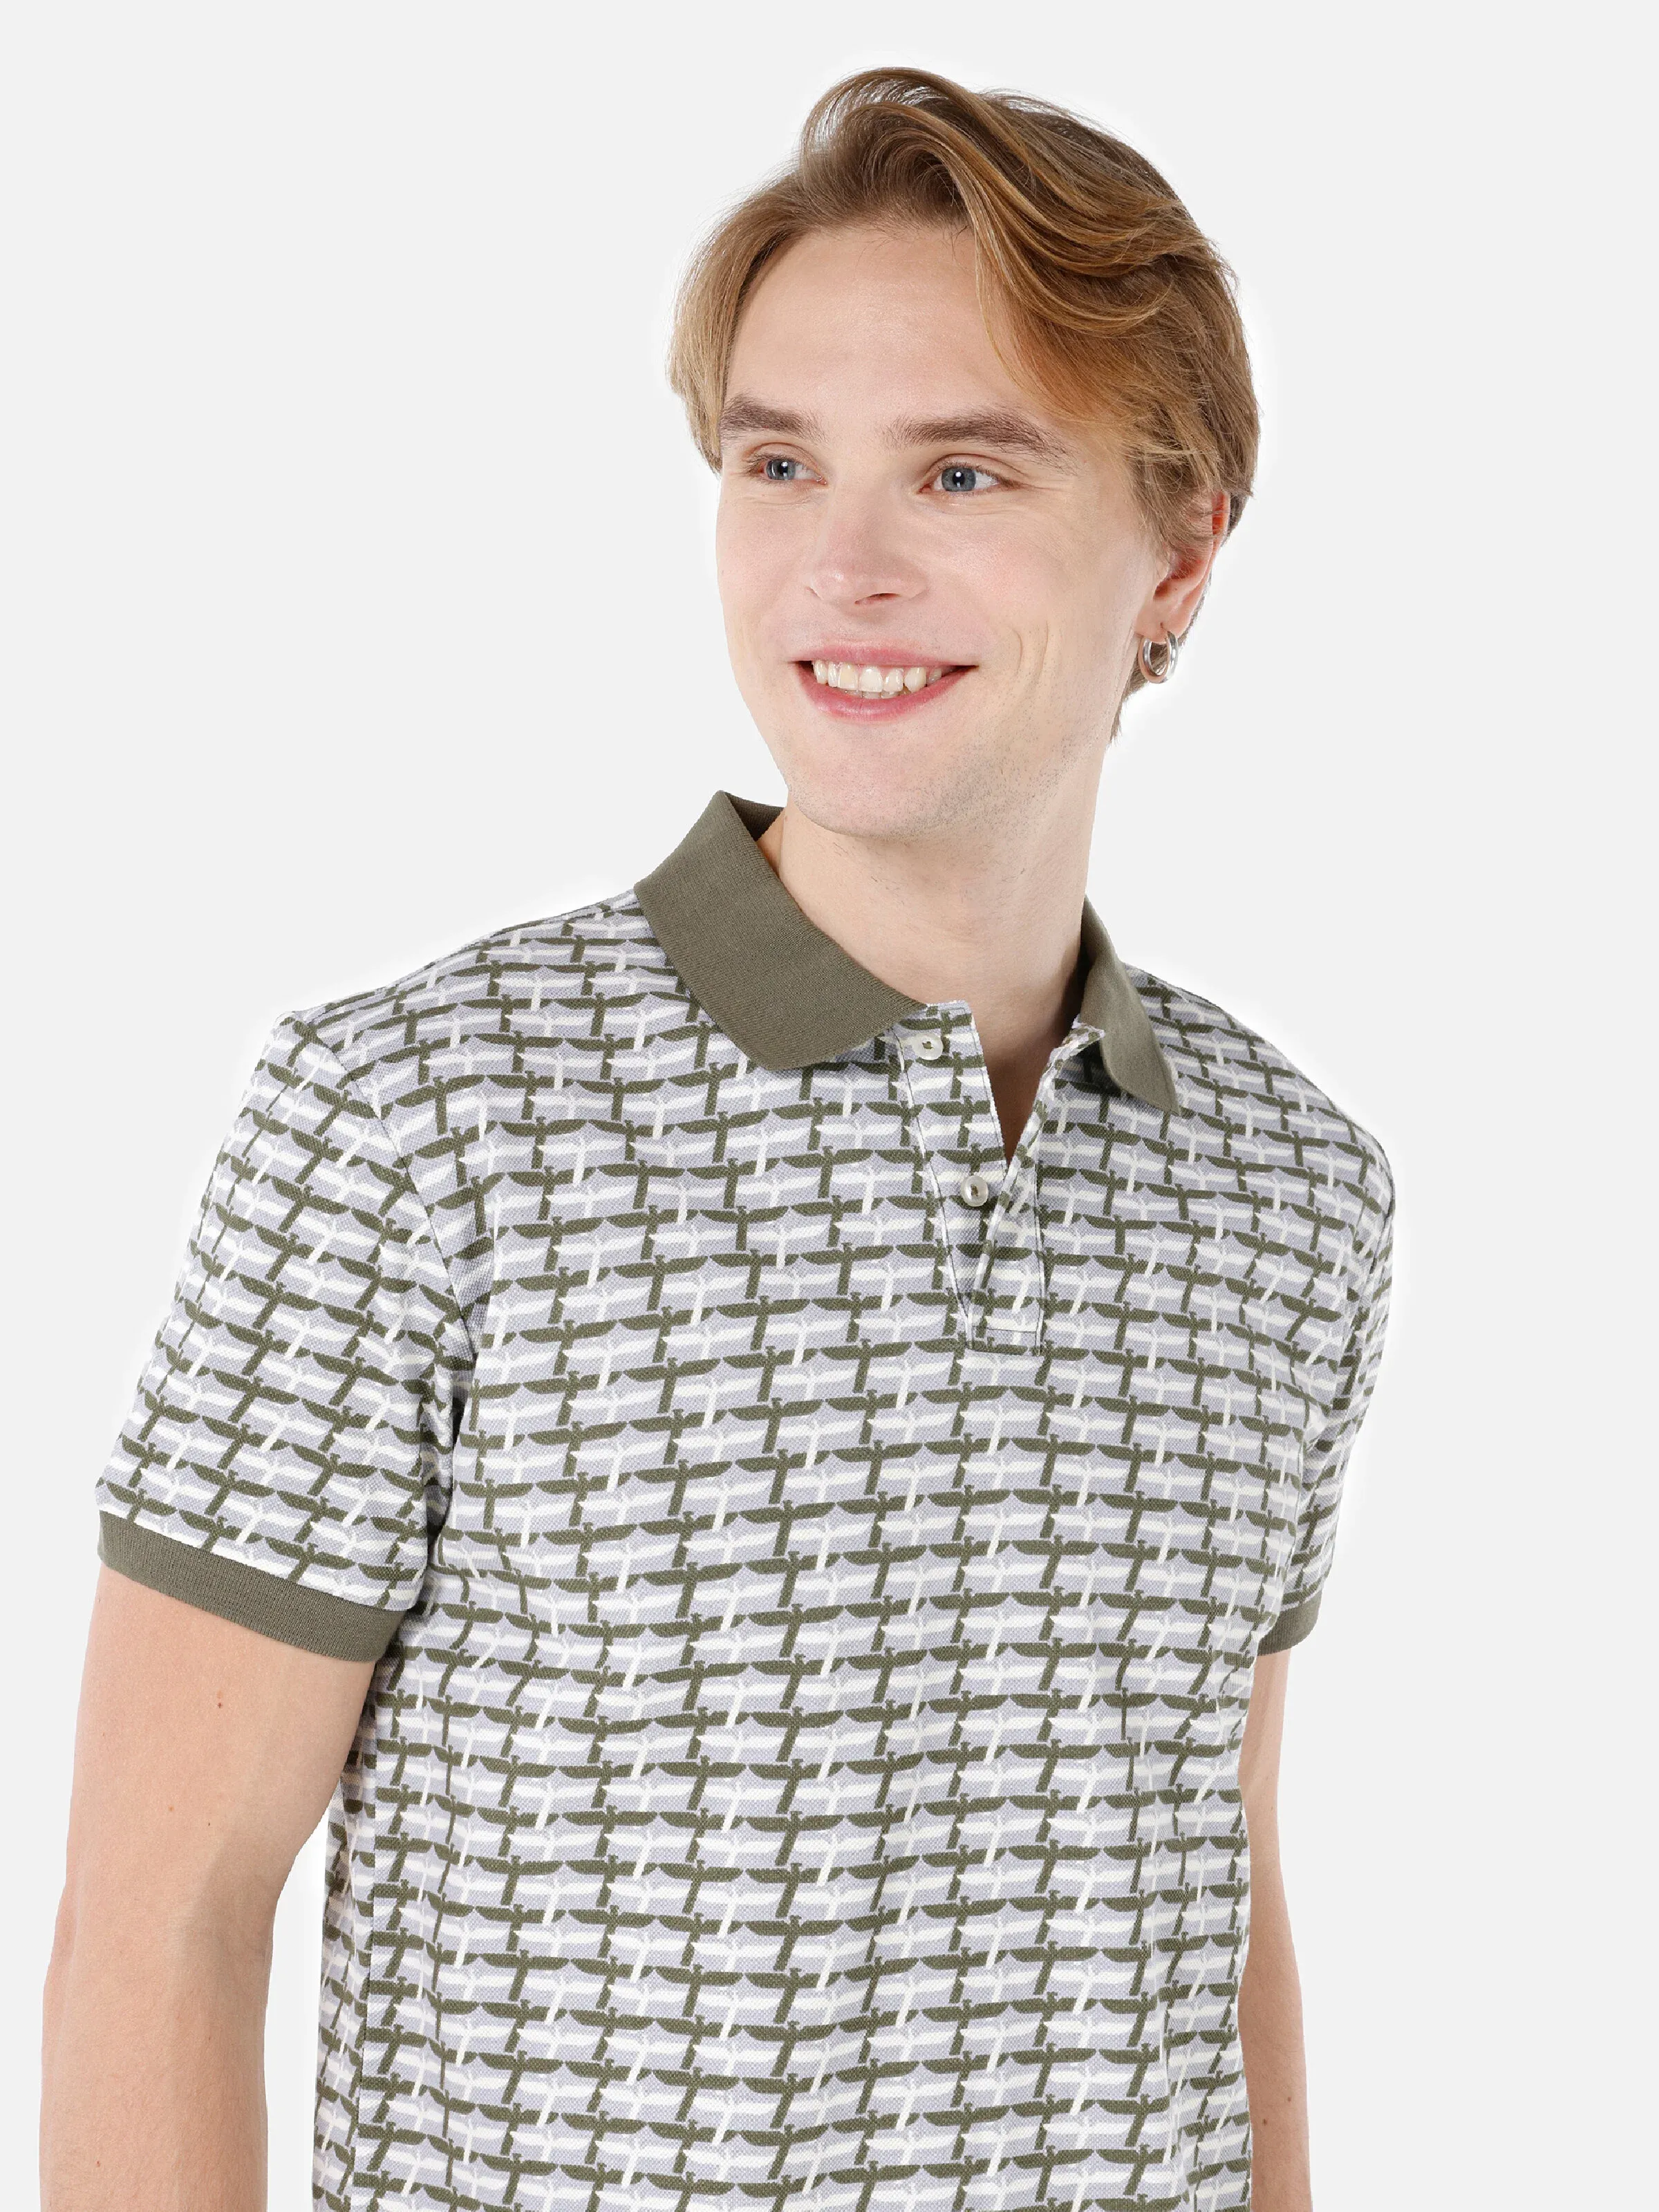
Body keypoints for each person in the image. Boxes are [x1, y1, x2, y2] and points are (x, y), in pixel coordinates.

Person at [41, 66, 1394, 2212]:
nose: (840, 566)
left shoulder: (1290, 1193)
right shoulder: (421, 1124)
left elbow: (1215, 1893)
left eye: (962, 469)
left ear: (1183, 550)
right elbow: (163, 1928)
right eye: (779, 463)